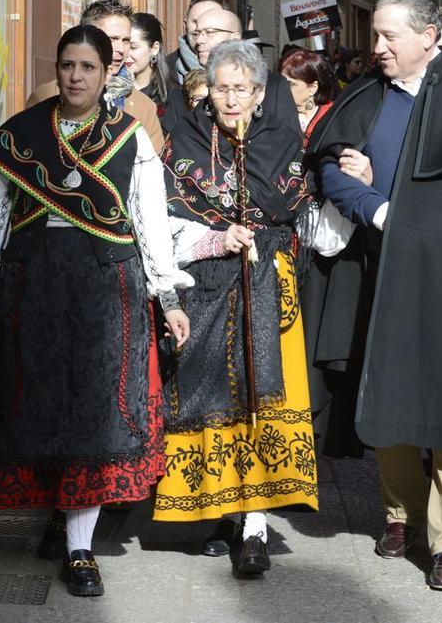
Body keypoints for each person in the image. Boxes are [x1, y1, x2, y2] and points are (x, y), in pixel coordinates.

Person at [0, 25, 192, 598]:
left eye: (87, 66)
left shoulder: (132, 137)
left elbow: (151, 224)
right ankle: (56, 513)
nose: (75, 76)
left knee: (94, 411)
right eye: (67, 65)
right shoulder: (22, 134)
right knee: (36, 401)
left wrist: (169, 294)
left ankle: (80, 550)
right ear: (56, 70)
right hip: (32, 286)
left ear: (109, 73)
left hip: (109, 289)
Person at [307, 0, 442, 591]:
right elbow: (329, 170)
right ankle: (400, 515)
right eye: (375, 36)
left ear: (428, 36)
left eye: (388, 36)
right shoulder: (368, 96)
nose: (377, 49)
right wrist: (375, 208)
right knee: (391, 396)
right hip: (383, 270)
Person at [153, 40, 318, 578]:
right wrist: (214, 236)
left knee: (263, 399)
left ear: (259, 92)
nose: (229, 99)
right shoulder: (186, 138)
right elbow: (165, 216)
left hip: (268, 282)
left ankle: (254, 526)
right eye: (220, 88)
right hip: (206, 284)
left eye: (240, 89)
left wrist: (252, 232)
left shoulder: (280, 135)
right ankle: (222, 508)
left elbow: (286, 201)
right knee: (213, 397)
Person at [28, 0, 166, 153]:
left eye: (126, 40)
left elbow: (153, 172)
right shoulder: (46, 96)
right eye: (112, 39)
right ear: (85, 37)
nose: (120, 49)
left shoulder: (144, 108)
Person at [192, 7, 300, 130]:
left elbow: (289, 139)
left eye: (210, 32)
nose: (199, 40)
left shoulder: (273, 85)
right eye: (196, 33)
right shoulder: (180, 88)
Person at [162, 0, 230, 131]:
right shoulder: (163, 70)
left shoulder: (250, 75)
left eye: (210, 22)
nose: (201, 28)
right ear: (186, 24)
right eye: (196, 21)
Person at [278, 47, 336, 137]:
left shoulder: (332, 117)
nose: (282, 88)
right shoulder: (276, 114)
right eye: (281, 82)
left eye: (290, 84)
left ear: (313, 87)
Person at [127, 11, 171, 112]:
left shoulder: (173, 96)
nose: (126, 53)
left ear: (154, 48)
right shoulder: (112, 93)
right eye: (125, 45)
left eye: (133, 47)